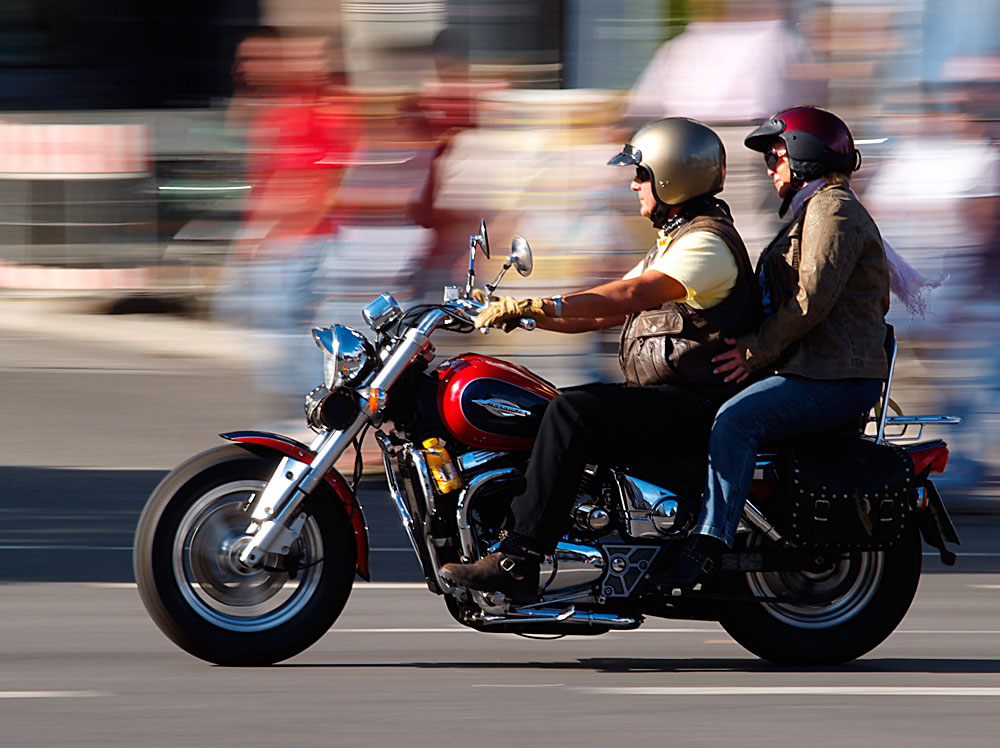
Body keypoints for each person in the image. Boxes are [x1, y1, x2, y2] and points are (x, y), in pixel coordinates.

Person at [439, 117, 761, 602]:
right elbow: (596, 312)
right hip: (671, 396)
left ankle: (519, 558)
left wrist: (538, 306)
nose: (634, 184)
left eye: (642, 174)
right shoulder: (674, 240)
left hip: (699, 403)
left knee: (573, 412)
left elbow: (628, 294)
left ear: (671, 176)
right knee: (549, 405)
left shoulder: (706, 243)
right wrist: (527, 316)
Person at [648, 106, 890, 588]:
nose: (769, 165)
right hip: (813, 368)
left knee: (736, 420)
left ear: (805, 153)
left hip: (833, 375)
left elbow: (810, 299)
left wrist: (754, 351)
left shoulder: (833, 209)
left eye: (776, 153)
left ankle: (709, 545)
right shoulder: (815, 209)